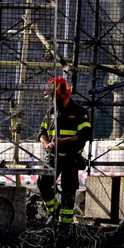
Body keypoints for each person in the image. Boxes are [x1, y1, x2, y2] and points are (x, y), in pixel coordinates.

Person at [38, 76, 92, 226]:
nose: (52, 100)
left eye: (54, 96)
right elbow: (42, 132)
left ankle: (65, 225)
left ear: (62, 94)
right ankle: (54, 211)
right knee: (42, 183)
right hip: (53, 156)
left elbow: (85, 135)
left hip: (71, 158)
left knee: (69, 190)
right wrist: (47, 143)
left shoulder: (80, 113)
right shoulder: (50, 113)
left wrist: (63, 141)